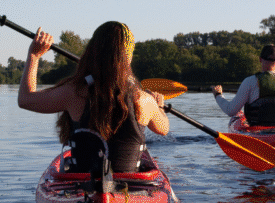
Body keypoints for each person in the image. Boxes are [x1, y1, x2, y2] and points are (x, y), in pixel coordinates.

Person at [18, 21, 168, 174]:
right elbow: (163, 129)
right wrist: (159, 106)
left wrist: (34, 55)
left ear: (92, 51)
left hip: (82, 188)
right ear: (128, 57)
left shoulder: (74, 92)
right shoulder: (143, 100)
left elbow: (25, 99)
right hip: (130, 188)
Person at [211, 44, 275, 127]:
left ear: (260, 59)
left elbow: (231, 110)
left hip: (257, 132)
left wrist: (218, 95)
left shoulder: (250, 81)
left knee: (236, 116)